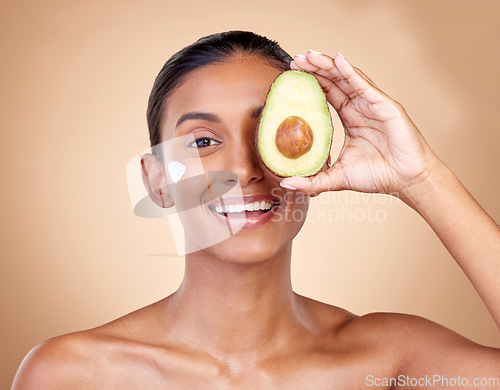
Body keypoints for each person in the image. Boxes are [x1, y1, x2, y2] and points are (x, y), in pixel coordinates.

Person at [12, 30, 500, 389]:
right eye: (203, 140)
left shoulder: (388, 362)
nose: (244, 169)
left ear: (315, 157)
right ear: (157, 182)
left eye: (271, 132)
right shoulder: (72, 374)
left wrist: (422, 178)